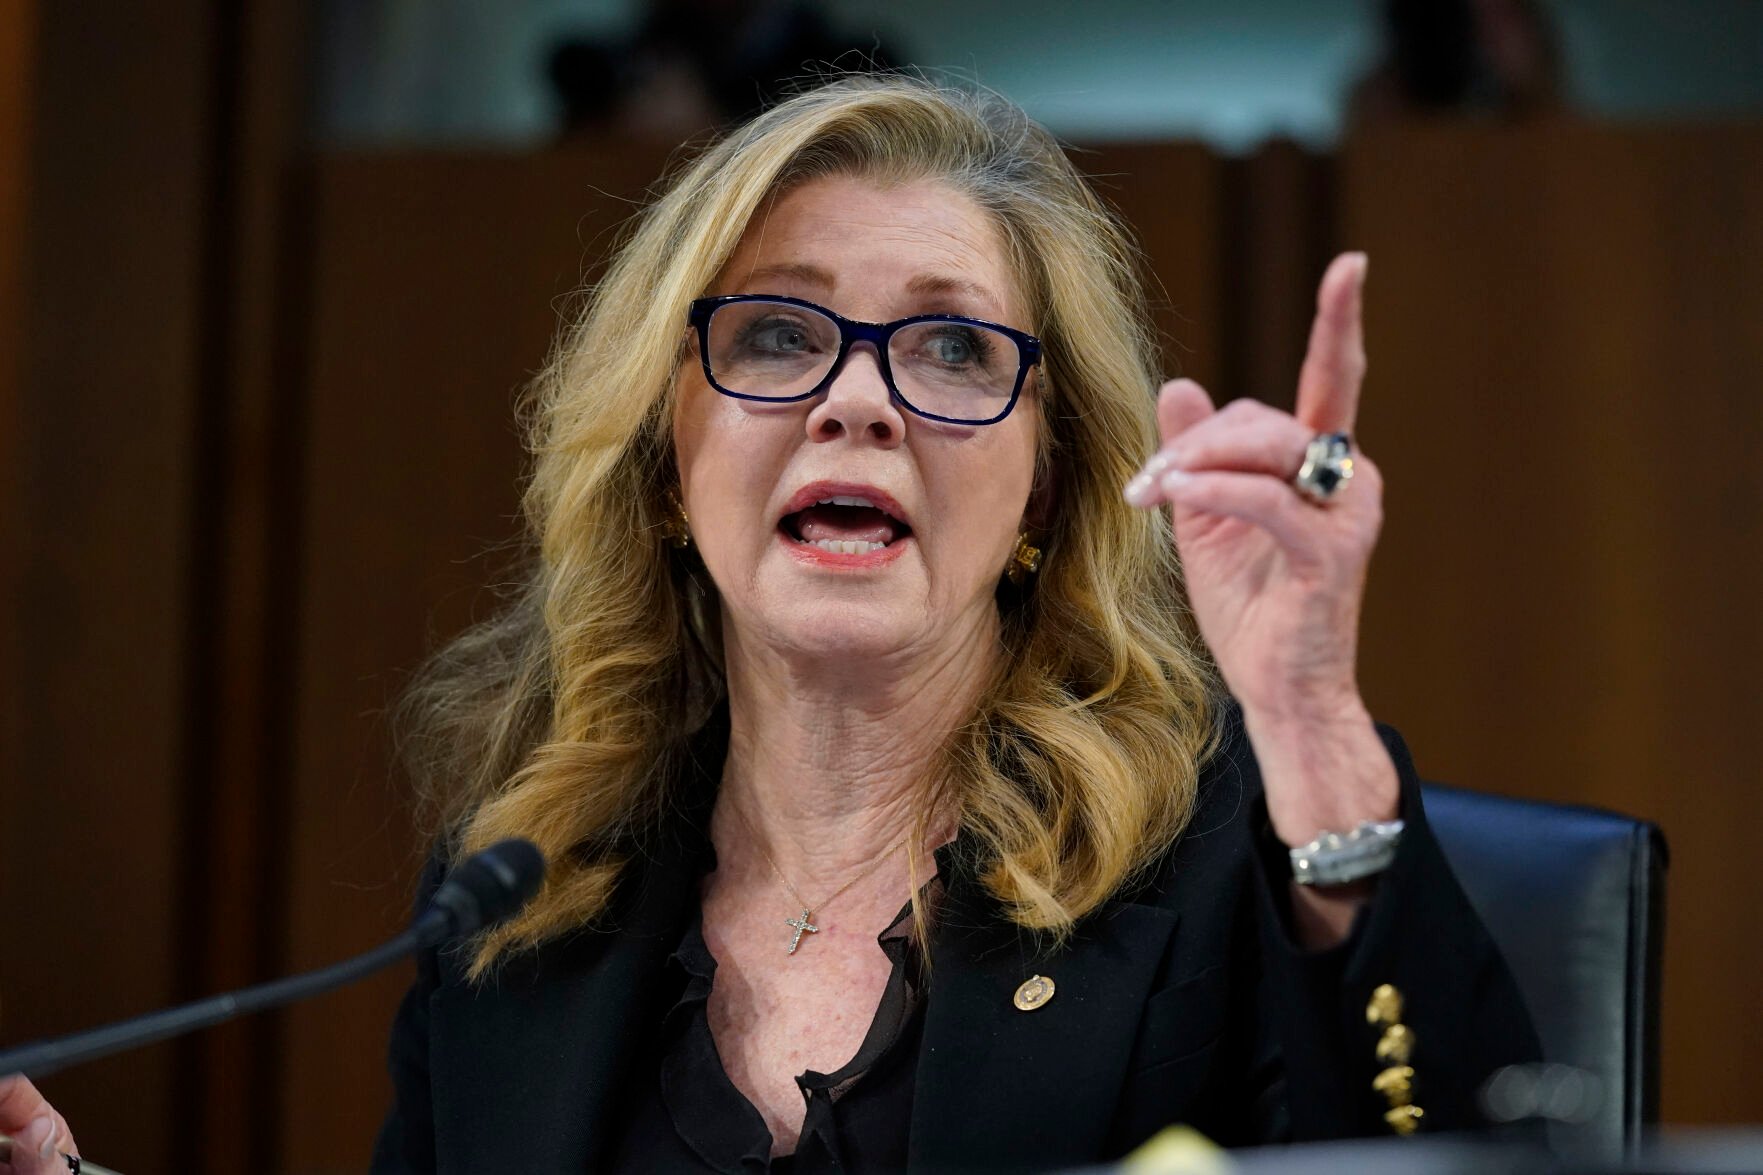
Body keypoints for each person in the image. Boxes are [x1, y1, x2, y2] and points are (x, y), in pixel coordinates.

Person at [7, 75, 1539, 1174]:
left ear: (1047, 483)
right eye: (780, 333)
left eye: (952, 347)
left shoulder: (1219, 851)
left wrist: (1312, 727)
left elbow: (1478, 1154)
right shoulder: (525, 892)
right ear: (670, 461)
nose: (857, 400)